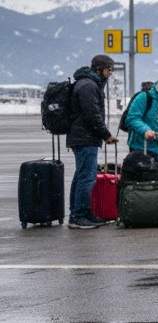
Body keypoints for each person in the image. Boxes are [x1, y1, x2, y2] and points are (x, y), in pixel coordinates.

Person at [66, 54, 119, 229]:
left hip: (84, 137)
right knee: (86, 178)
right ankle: (78, 216)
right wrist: (106, 134)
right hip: (85, 138)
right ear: (100, 69)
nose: (111, 73)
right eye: (109, 69)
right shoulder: (88, 86)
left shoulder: (89, 83)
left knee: (81, 176)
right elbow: (92, 114)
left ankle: (82, 212)